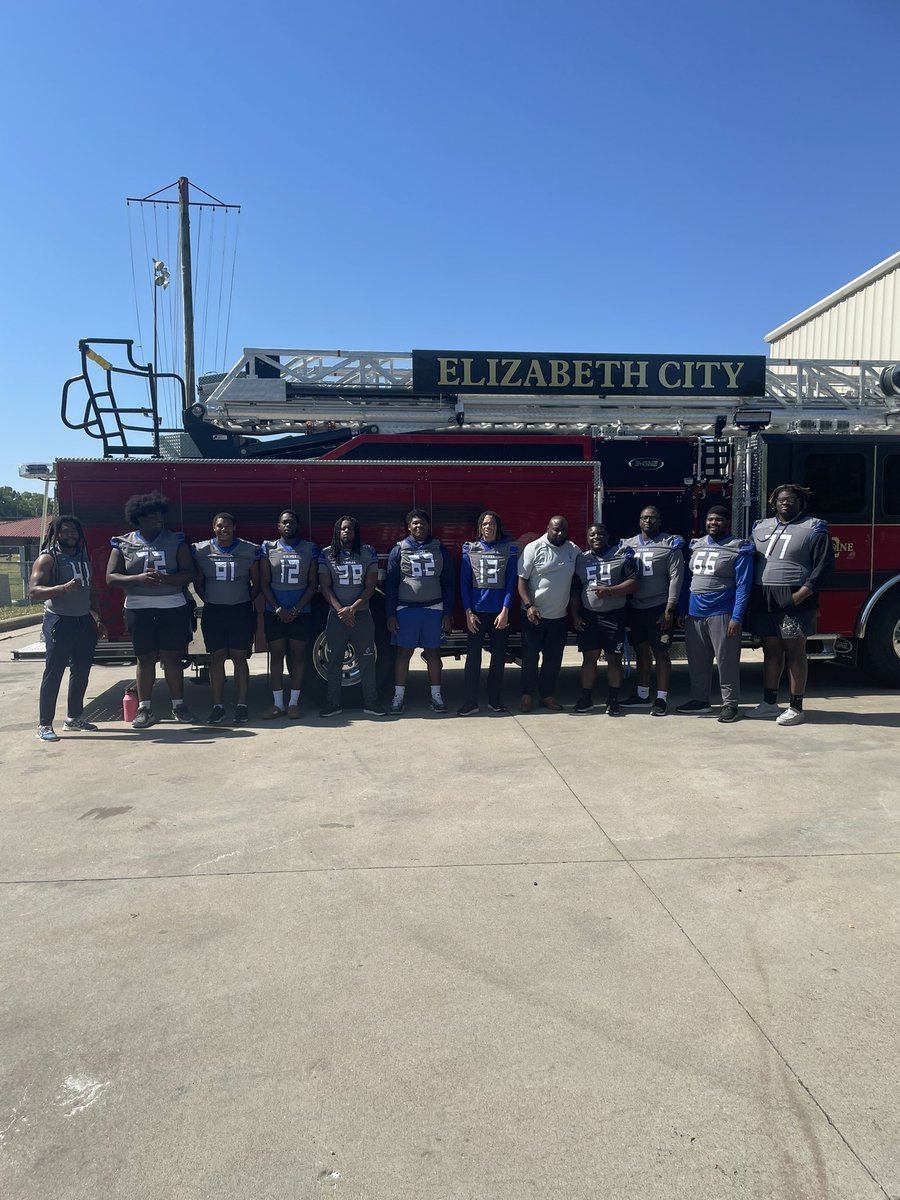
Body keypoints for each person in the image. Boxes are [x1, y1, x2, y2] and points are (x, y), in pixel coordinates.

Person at [107, 492, 196, 729]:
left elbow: (189, 572)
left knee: (173, 659)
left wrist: (167, 579)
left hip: (172, 607)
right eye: (152, 515)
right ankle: (144, 708)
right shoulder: (123, 542)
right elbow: (111, 578)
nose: (159, 518)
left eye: (160, 514)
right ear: (139, 517)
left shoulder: (176, 540)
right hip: (139, 608)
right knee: (144, 659)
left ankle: (179, 706)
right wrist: (138, 578)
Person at [749, 484, 834, 726]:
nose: (785, 503)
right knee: (771, 650)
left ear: (801, 503)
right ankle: (769, 703)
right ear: (773, 502)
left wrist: (803, 593)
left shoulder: (814, 526)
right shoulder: (760, 526)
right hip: (763, 595)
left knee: (795, 651)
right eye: (781, 499)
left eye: (791, 499)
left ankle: (796, 707)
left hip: (794, 594)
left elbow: (824, 565)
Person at [29, 515, 107, 742]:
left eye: (74, 531)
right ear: (56, 533)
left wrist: (98, 618)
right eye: (65, 531)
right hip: (59, 621)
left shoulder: (83, 556)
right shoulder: (48, 558)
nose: (71, 535)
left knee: (81, 671)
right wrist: (62, 588)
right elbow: (34, 592)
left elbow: (91, 592)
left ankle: (74, 718)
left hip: (84, 620)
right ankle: (44, 724)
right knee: (54, 673)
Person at [676, 506, 753, 723]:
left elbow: (743, 586)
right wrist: (683, 609)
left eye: (718, 520)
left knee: (726, 661)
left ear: (727, 522)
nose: (713, 523)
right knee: (697, 661)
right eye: (710, 519)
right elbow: (687, 581)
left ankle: (730, 704)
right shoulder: (697, 545)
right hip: (695, 612)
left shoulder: (738, 548)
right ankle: (700, 699)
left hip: (722, 611)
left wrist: (737, 617)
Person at [192, 513, 261, 724]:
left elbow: (256, 583)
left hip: (240, 610)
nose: (224, 530)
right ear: (213, 528)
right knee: (217, 657)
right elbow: (198, 582)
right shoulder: (202, 550)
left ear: (234, 528)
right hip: (214, 611)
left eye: (228, 526)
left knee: (240, 657)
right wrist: (212, 599)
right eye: (220, 526)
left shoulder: (249, 550)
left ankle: (242, 705)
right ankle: (217, 706)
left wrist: (240, 599)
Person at [384, 509, 455, 714]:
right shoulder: (399, 550)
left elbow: (449, 583)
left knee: (433, 653)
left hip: (434, 609)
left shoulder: (439, 549)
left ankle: (436, 697)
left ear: (428, 526)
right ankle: (398, 699)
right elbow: (390, 584)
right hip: (406, 609)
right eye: (414, 523)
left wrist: (447, 613)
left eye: (422, 523)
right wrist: (390, 614)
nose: (418, 526)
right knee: (403, 653)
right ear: (408, 527)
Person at [317, 516, 386, 718]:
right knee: (334, 661)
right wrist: (341, 610)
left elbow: (370, 586)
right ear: (338, 532)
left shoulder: (368, 552)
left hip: (362, 615)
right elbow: (325, 587)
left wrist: (353, 609)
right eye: (343, 529)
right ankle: (333, 703)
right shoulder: (326, 554)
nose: (347, 532)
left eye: (351, 529)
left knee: (366, 660)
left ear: (356, 533)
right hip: (336, 616)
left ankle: (371, 702)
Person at [618, 506, 685, 716]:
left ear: (660, 521)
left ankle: (662, 699)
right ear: (639, 521)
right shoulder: (628, 544)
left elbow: (676, 578)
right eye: (645, 518)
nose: (648, 521)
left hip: (659, 606)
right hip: (636, 606)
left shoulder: (670, 544)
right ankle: (643, 693)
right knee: (641, 652)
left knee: (661, 653)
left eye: (653, 518)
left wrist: (670, 609)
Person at [569, 524, 637, 716]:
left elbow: (634, 583)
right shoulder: (581, 559)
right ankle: (586, 698)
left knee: (614, 659)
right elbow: (575, 592)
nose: (596, 537)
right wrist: (575, 616)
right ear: (587, 538)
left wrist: (610, 591)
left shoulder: (621, 555)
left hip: (614, 615)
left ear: (608, 536)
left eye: (600, 534)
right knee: (589, 659)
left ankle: (613, 699)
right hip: (588, 617)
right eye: (592, 534)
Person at [259, 511, 320, 719]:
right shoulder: (268, 548)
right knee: (277, 655)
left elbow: (313, 584)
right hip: (274, 611)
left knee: (298, 656)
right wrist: (277, 608)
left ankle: (294, 702)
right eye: (284, 522)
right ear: (278, 526)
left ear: (298, 525)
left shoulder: (309, 549)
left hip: (300, 612)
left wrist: (297, 608)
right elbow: (264, 583)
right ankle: (277, 704)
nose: (288, 525)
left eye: (292, 522)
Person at [457, 510, 518, 716]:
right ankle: (470, 702)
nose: (488, 527)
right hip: (476, 613)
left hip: (499, 614)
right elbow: (464, 583)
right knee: (473, 660)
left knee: (498, 659)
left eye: (491, 524)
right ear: (479, 527)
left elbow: (511, 583)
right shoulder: (470, 550)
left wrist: (505, 610)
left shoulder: (507, 550)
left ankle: (495, 700)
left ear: (497, 528)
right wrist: (468, 611)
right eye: (484, 524)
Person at [517, 516, 580, 712]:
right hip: (533, 616)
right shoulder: (533, 548)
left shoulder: (573, 550)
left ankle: (547, 695)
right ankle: (527, 695)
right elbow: (522, 581)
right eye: (556, 530)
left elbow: (580, 580)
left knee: (553, 660)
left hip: (559, 617)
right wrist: (529, 606)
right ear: (547, 528)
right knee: (530, 658)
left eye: (563, 530)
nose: (559, 533)